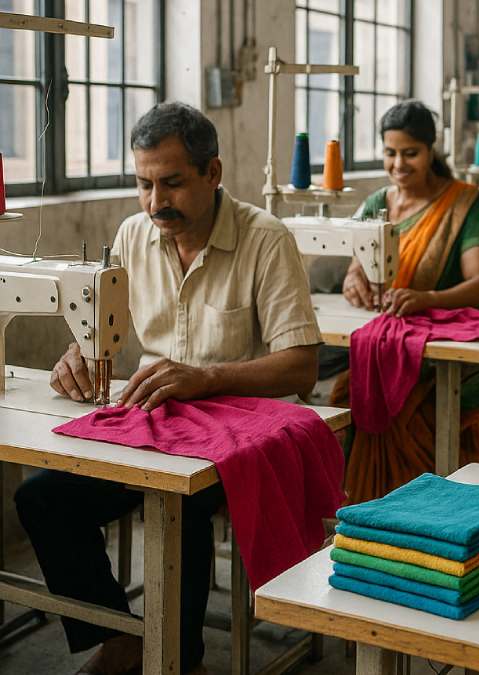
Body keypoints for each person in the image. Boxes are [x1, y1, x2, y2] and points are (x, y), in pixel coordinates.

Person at [17, 102, 322, 675]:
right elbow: (101, 327)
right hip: (158, 419)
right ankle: (122, 638)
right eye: (144, 184)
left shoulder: (265, 240)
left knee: (175, 503)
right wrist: (77, 356)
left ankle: (179, 660)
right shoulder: (135, 234)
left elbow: (301, 367)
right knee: (41, 498)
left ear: (214, 173)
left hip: (241, 429)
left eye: (172, 183)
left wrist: (205, 378)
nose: (157, 202)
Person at [331, 100, 479, 502]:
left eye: (410, 153)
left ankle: (426, 517)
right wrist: (353, 279)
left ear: (431, 151)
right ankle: (369, 521)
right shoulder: (377, 203)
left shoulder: (465, 204)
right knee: (353, 400)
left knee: (402, 412)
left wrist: (426, 298)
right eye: (390, 153)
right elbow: (356, 260)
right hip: (390, 348)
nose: (399, 165)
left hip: (450, 357)